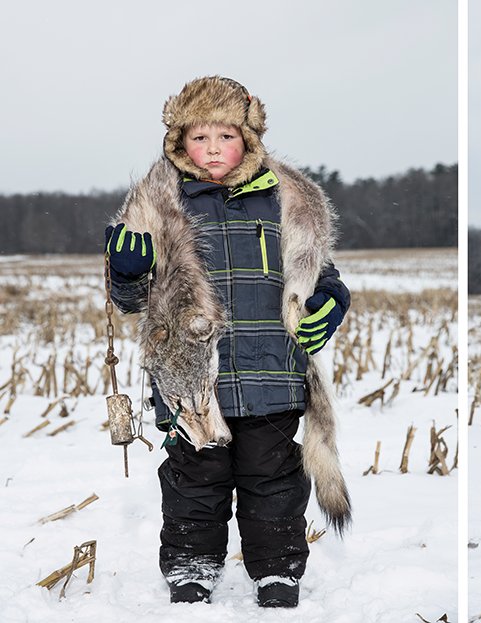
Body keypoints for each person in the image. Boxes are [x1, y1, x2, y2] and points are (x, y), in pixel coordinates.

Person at [104, 76, 351, 607]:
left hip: (273, 374)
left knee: (274, 481)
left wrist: (332, 302)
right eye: (198, 137)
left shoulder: (287, 201)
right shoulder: (156, 204)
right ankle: (192, 566)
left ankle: (278, 571)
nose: (212, 149)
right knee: (194, 481)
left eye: (225, 136)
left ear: (249, 138)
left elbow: (321, 277)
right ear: (178, 142)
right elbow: (128, 301)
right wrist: (126, 273)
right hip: (190, 381)